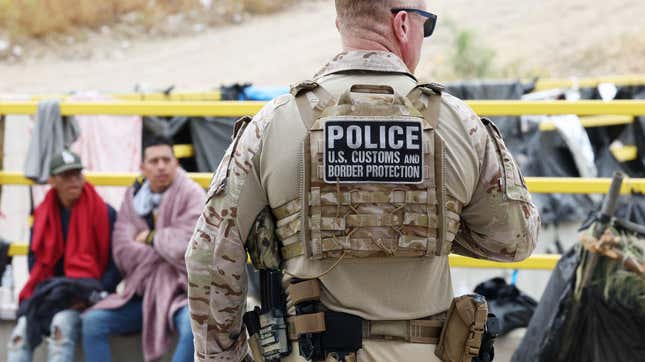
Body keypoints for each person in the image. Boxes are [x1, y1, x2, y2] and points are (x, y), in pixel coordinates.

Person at [185, 0, 540, 361]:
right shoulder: (461, 126)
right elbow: (515, 240)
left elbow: (209, 257)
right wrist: (433, 222)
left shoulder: (271, 126)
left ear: (341, 25)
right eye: (426, 25)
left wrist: (223, 357)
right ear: (403, 24)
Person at [81, 136, 205, 362]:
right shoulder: (132, 197)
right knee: (93, 322)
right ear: (143, 167)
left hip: (181, 295)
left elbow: (190, 247)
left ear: (176, 163)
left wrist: (149, 237)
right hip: (141, 295)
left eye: (166, 160)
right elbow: (122, 251)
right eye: (154, 161)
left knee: (193, 327)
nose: (161, 166)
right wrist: (164, 248)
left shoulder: (193, 194)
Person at [8, 150, 120, 362]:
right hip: (50, 295)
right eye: (66, 176)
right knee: (19, 335)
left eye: (77, 174)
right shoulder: (42, 214)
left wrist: (92, 295)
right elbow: (35, 260)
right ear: (52, 180)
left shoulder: (104, 213)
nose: (73, 181)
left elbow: (115, 265)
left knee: (61, 328)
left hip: (88, 296)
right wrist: (53, 294)